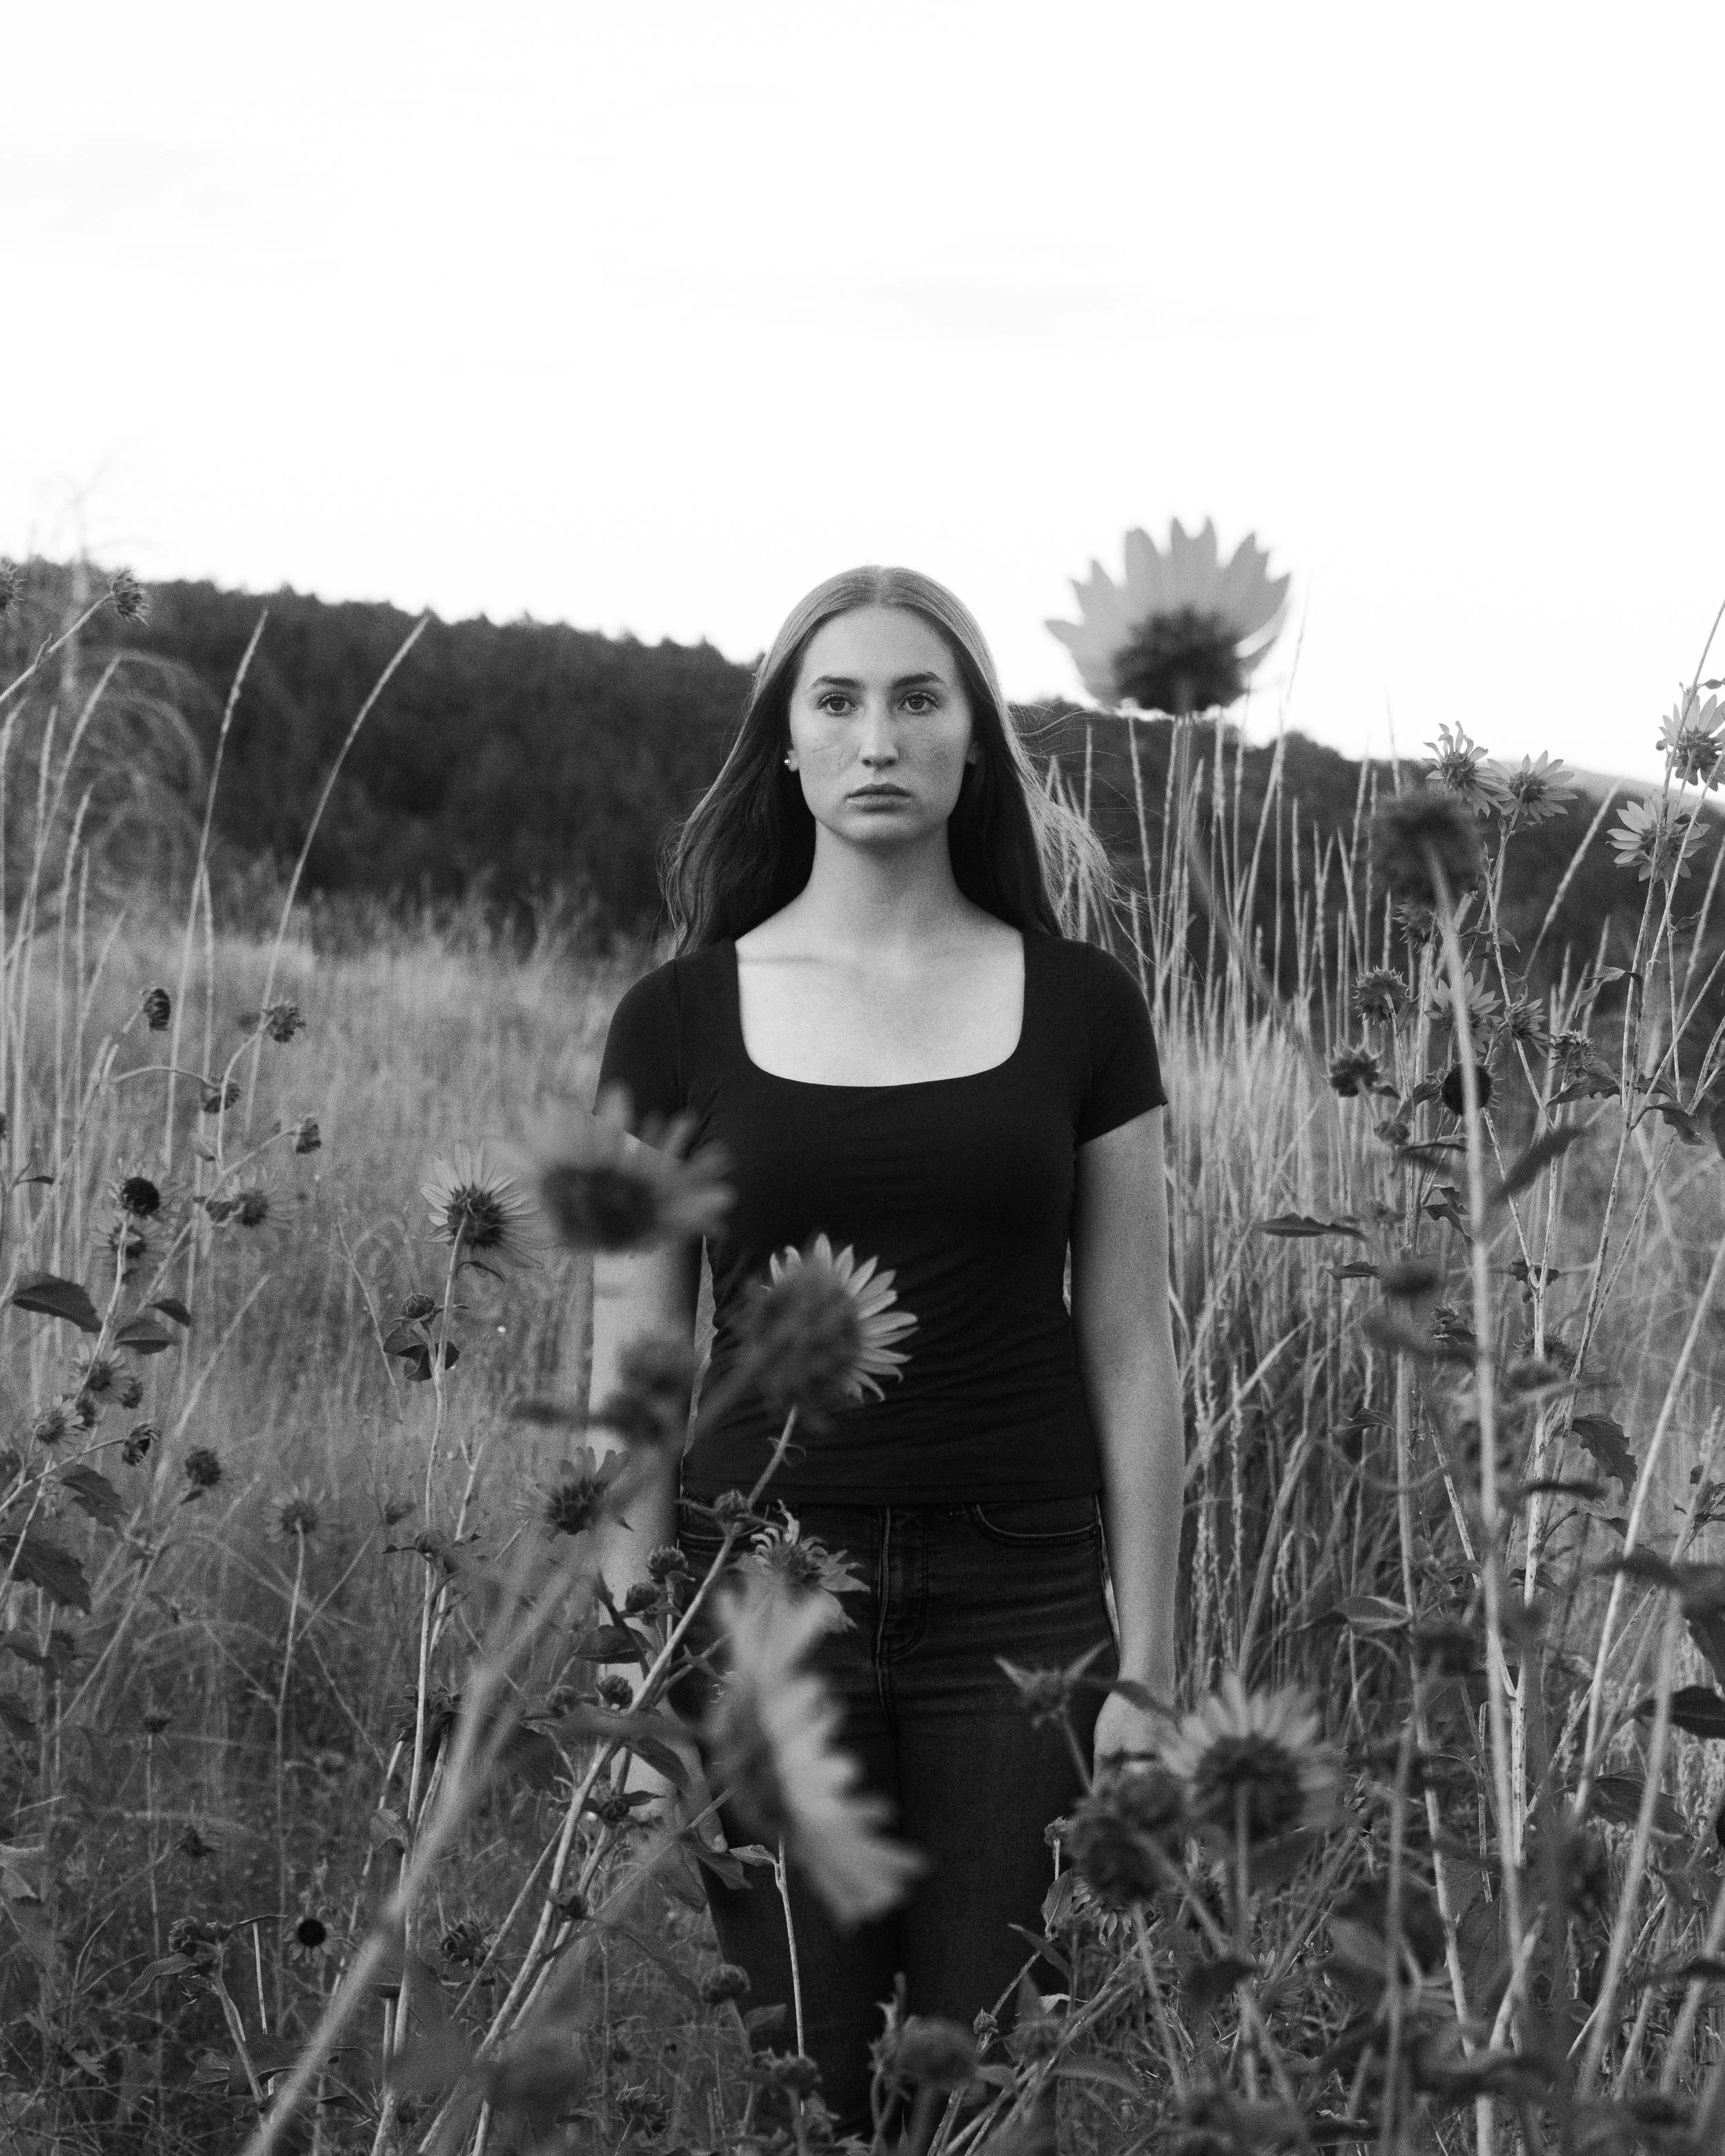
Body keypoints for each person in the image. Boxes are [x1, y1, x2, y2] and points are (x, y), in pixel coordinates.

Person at [585, 566, 1183, 2139]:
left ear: (973, 741)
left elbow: (1132, 1347)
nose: (877, 737)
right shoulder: (674, 1020)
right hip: (759, 1602)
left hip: (1022, 1609)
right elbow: (634, 1372)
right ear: (783, 744)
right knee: (814, 2093)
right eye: (836, 701)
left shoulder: (1083, 1007)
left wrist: (1150, 1668)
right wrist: (628, 1680)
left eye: (919, 699)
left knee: (975, 2094)